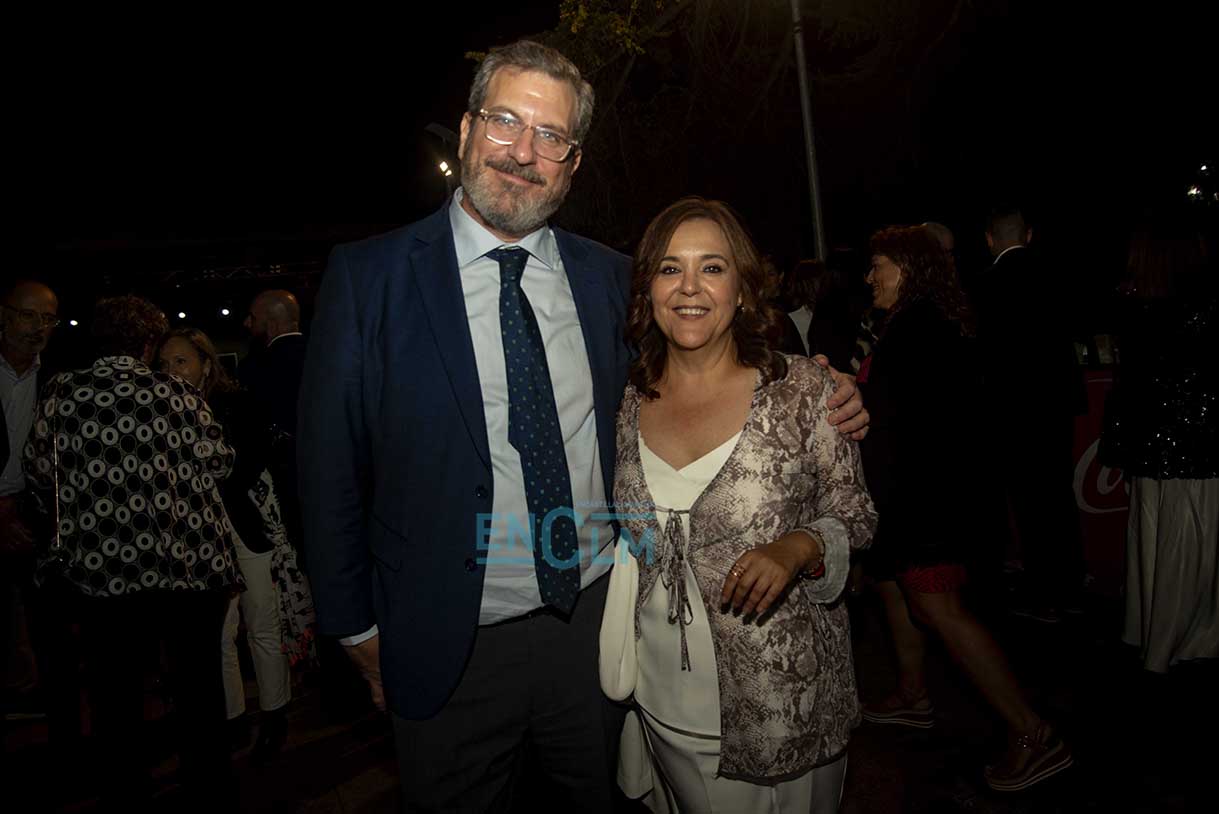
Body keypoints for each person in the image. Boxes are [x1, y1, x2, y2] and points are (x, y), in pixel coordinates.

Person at [298, 39, 869, 811]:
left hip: (598, 628)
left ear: (571, 163)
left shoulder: (607, 277)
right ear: (466, 129)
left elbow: (697, 363)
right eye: (505, 121)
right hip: (444, 638)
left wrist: (816, 386)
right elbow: (328, 467)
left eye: (551, 136)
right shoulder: (369, 277)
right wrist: (353, 628)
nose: (522, 152)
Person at [608, 197, 876, 813]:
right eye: (670, 268)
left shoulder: (803, 389)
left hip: (781, 699)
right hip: (658, 696)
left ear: (743, 288)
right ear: (648, 289)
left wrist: (800, 545)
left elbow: (857, 512)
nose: (690, 287)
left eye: (712, 267)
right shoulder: (627, 398)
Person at [856, 226, 1072, 792]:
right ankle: (913, 695)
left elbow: (913, 424)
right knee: (896, 587)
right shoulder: (920, 321)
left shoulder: (918, 328)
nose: (869, 276)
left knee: (937, 607)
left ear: (906, 267)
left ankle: (1032, 732)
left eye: (878, 265)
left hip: (930, 503)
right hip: (927, 498)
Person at [23, 295, 241, 807]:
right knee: (197, 686)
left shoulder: (62, 392)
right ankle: (209, 788)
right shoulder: (178, 392)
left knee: (115, 692)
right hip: (186, 565)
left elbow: (38, 470)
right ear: (148, 343)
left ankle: (125, 789)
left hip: (104, 572)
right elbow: (220, 462)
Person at [158, 326, 309, 764]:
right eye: (164, 364)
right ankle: (232, 719)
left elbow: (247, 463)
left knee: (262, 622)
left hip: (242, 526)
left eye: (181, 361)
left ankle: (275, 715)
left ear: (206, 365)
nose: (172, 371)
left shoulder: (237, 403)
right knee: (219, 633)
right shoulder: (157, 410)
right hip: (194, 537)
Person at [1101, 223, 1217, 672]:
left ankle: (1153, 632)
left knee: (1155, 545)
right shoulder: (1200, 305)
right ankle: (1180, 640)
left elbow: (1127, 385)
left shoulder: (1135, 305)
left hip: (1151, 449)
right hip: (1196, 448)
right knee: (1186, 549)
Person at [972, 206, 1086, 622]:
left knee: (1029, 504)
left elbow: (983, 357)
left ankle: (1045, 594)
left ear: (989, 239)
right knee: (1058, 496)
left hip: (1013, 413)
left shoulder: (986, 285)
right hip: (1055, 407)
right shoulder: (1056, 275)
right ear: (1029, 234)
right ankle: (1071, 585)